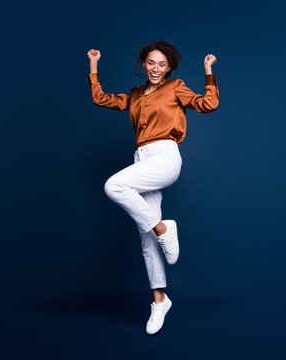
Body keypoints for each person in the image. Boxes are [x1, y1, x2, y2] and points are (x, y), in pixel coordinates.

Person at [86, 40, 219, 335]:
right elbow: (102, 99)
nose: (156, 69)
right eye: (151, 63)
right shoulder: (134, 95)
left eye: (162, 64)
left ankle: (163, 228)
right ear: (142, 64)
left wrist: (209, 72)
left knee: (114, 185)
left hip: (165, 155)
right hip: (140, 158)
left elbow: (208, 104)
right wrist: (94, 67)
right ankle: (159, 300)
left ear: (169, 67)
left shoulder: (176, 88)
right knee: (146, 237)